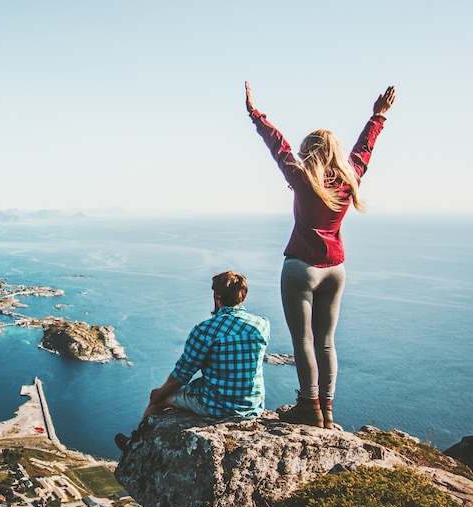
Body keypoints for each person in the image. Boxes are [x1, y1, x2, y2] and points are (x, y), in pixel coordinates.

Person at [245, 81, 395, 428]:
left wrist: (255, 113)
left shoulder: (301, 177)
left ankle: (308, 407)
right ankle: (327, 409)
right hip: (336, 269)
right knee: (327, 342)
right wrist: (378, 115)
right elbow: (364, 149)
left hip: (301, 268)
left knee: (303, 341)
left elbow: (277, 144)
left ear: (309, 151)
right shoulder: (350, 179)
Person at [115, 271, 270, 452]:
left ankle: (134, 446)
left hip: (217, 405)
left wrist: (159, 393)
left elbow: (182, 374)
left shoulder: (205, 330)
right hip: (251, 405)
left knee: (158, 401)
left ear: (216, 295)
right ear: (243, 295)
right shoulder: (262, 325)